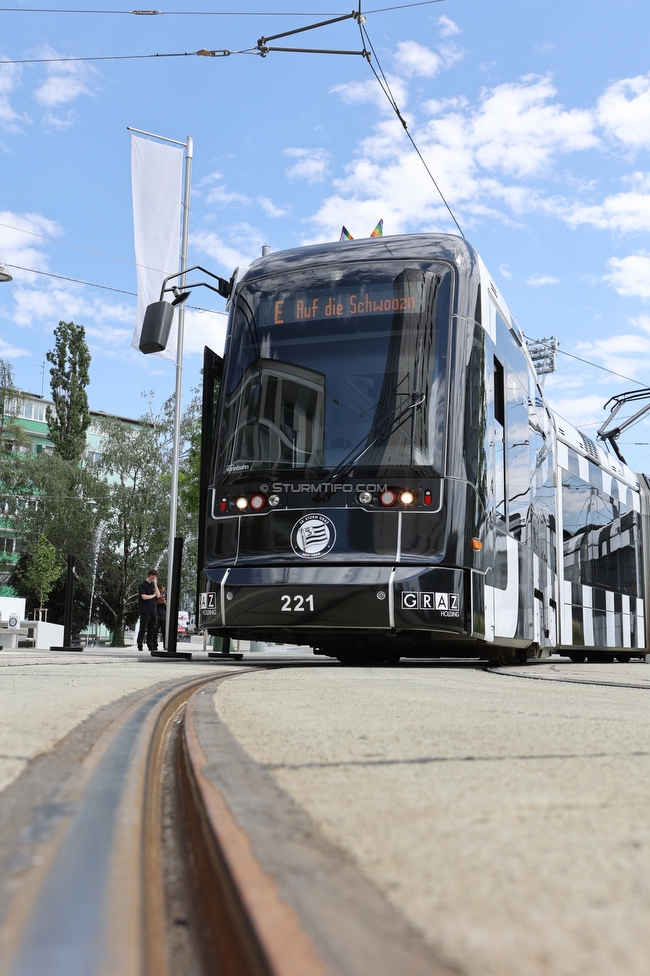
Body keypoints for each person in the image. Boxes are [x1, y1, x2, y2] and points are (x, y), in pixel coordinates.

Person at [137, 569, 160, 652]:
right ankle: (139, 645)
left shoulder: (153, 585)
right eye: (155, 577)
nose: (155, 579)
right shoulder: (142, 585)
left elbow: (158, 595)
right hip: (145, 610)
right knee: (143, 629)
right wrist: (153, 595)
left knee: (152, 630)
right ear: (151, 576)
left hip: (153, 610)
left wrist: (156, 585)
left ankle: (150, 646)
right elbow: (144, 597)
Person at [155, 583, 167, 650]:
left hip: (163, 616)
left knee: (165, 632)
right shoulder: (155, 595)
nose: (162, 592)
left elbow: (167, 606)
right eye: (161, 590)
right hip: (156, 615)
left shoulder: (165, 595)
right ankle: (155, 646)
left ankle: (165, 645)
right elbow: (152, 604)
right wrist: (158, 602)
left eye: (163, 590)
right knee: (155, 632)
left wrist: (164, 602)